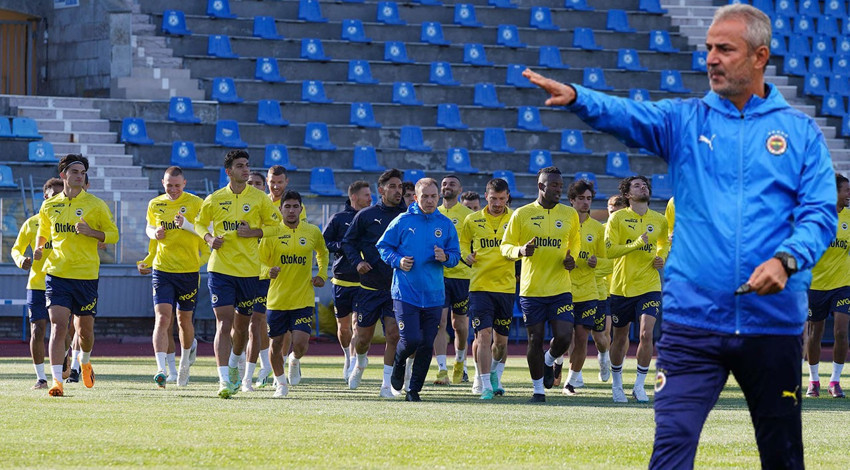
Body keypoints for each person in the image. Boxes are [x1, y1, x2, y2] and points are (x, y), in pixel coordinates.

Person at [523, 4, 836, 467]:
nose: (711, 58)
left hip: (772, 323)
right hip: (693, 323)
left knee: (783, 455)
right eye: (709, 48)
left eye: (725, 49)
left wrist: (788, 260)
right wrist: (578, 97)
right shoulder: (686, 121)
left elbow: (820, 214)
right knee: (670, 451)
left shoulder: (800, 133)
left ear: (759, 57)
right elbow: (629, 114)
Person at [195, 150, 282, 398]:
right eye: (240, 166)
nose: (246, 170)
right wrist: (209, 238)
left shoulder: (259, 198)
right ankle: (223, 380)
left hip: (249, 272)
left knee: (242, 327)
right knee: (224, 323)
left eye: (247, 165)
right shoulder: (214, 198)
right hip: (220, 269)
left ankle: (234, 364)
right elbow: (199, 223)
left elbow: (276, 226)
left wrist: (254, 232)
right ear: (229, 171)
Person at [34, 154, 120, 397]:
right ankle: (56, 381)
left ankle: (85, 361)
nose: (79, 176)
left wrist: (92, 232)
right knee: (58, 325)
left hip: (86, 276)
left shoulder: (96, 204)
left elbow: (113, 235)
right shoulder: (49, 205)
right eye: (75, 172)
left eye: (82, 173)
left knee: (84, 332)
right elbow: (44, 232)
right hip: (57, 273)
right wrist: (39, 248)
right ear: (63, 175)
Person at [501, 166, 581, 403]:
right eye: (554, 185)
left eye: (561, 185)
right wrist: (520, 250)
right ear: (541, 186)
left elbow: (575, 243)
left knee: (565, 337)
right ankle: (538, 390)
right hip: (532, 290)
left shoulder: (569, 214)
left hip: (560, 288)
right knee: (534, 339)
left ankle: (549, 360)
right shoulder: (522, 214)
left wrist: (573, 259)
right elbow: (505, 247)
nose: (559, 190)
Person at [378, 177, 461, 401]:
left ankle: (413, 390)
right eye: (425, 196)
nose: (430, 200)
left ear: (439, 197)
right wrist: (397, 260)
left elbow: (456, 255)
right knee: (411, 339)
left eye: (434, 196)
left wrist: (446, 257)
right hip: (405, 293)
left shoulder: (445, 224)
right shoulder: (402, 221)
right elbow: (383, 246)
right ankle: (398, 362)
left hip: (434, 295)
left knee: (426, 344)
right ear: (416, 197)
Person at [603, 176, 669, 403]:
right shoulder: (618, 218)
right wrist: (636, 244)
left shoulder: (659, 219)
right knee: (620, 337)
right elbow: (610, 251)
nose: (643, 187)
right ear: (627, 194)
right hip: (622, 287)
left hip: (649, 285)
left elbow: (664, 243)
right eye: (637, 185)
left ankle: (639, 386)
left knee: (646, 333)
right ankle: (617, 384)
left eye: (645, 185)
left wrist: (661, 257)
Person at [342, 169, 406, 397]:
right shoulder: (366, 215)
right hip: (369, 287)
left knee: (394, 335)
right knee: (362, 339)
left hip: (396, 288)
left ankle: (386, 384)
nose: (398, 191)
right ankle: (360, 362)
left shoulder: (407, 216)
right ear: (381, 190)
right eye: (393, 186)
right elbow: (347, 242)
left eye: (400, 187)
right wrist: (357, 262)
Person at [141, 166, 206, 388]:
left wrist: (187, 226)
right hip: (162, 270)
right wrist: (154, 233)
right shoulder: (155, 204)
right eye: (169, 185)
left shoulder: (196, 203)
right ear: (163, 183)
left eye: (177, 185)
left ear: (184, 184)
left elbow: (207, 231)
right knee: (162, 318)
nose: (174, 189)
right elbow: (149, 228)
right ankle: (161, 369)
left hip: (188, 270)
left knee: (183, 321)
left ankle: (184, 363)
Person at [260, 190, 329, 397]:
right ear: (280, 209)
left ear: (301, 209)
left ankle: (294, 360)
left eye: (295, 206)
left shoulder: (312, 231)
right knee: (276, 344)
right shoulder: (271, 234)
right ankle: (281, 383)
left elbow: (323, 252)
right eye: (287, 206)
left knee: (300, 344)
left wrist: (322, 274)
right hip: (277, 300)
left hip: (303, 298)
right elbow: (258, 261)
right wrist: (267, 271)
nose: (291, 210)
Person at [459, 178, 514, 400]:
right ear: (486, 196)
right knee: (483, 335)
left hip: (506, 287)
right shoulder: (472, 220)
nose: (497, 203)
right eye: (493, 198)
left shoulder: (515, 218)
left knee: (500, 343)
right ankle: (484, 384)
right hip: (480, 286)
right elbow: (463, 243)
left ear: (507, 197)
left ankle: (494, 375)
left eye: (501, 199)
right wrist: (466, 255)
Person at [11, 178, 64, 389]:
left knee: (62, 330)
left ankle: (64, 362)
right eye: (54, 196)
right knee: (37, 329)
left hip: (61, 282)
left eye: (61, 196)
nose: (57, 199)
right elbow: (16, 249)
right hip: (36, 284)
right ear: (45, 197)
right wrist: (21, 260)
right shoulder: (32, 223)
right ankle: (41, 378)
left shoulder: (66, 225)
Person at [557, 179, 609, 396]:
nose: (585, 202)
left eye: (588, 198)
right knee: (562, 336)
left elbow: (608, 263)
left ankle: (570, 382)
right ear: (572, 200)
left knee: (581, 337)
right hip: (563, 289)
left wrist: (598, 263)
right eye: (581, 198)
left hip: (588, 292)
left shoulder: (597, 228)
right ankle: (554, 360)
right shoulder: (561, 224)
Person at [805, 173, 850, 399]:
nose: (849, 194)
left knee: (841, 332)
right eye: (846, 190)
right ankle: (813, 381)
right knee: (815, 333)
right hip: (816, 284)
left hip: (843, 284)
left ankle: (835, 381)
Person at [323, 180, 372, 381]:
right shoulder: (338, 218)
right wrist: (341, 246)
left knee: (358, 325)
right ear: (354, 197)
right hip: (342, 280)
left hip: (364, 281)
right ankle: (346, 356)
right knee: (343, 328)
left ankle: (354, 361)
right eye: (367, 195)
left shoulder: (372, 218)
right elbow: (325, 242)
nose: (370, 198)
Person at [434, 175, 473, 385]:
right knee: (439, 323)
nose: (447, 187)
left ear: (460, 189)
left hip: (462, 277)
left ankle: (460, 362)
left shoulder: (468, 216)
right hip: (437, 276)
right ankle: (442, 369)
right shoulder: (433, 213)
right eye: (444, 184)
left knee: (459, 325)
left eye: (452, 184)